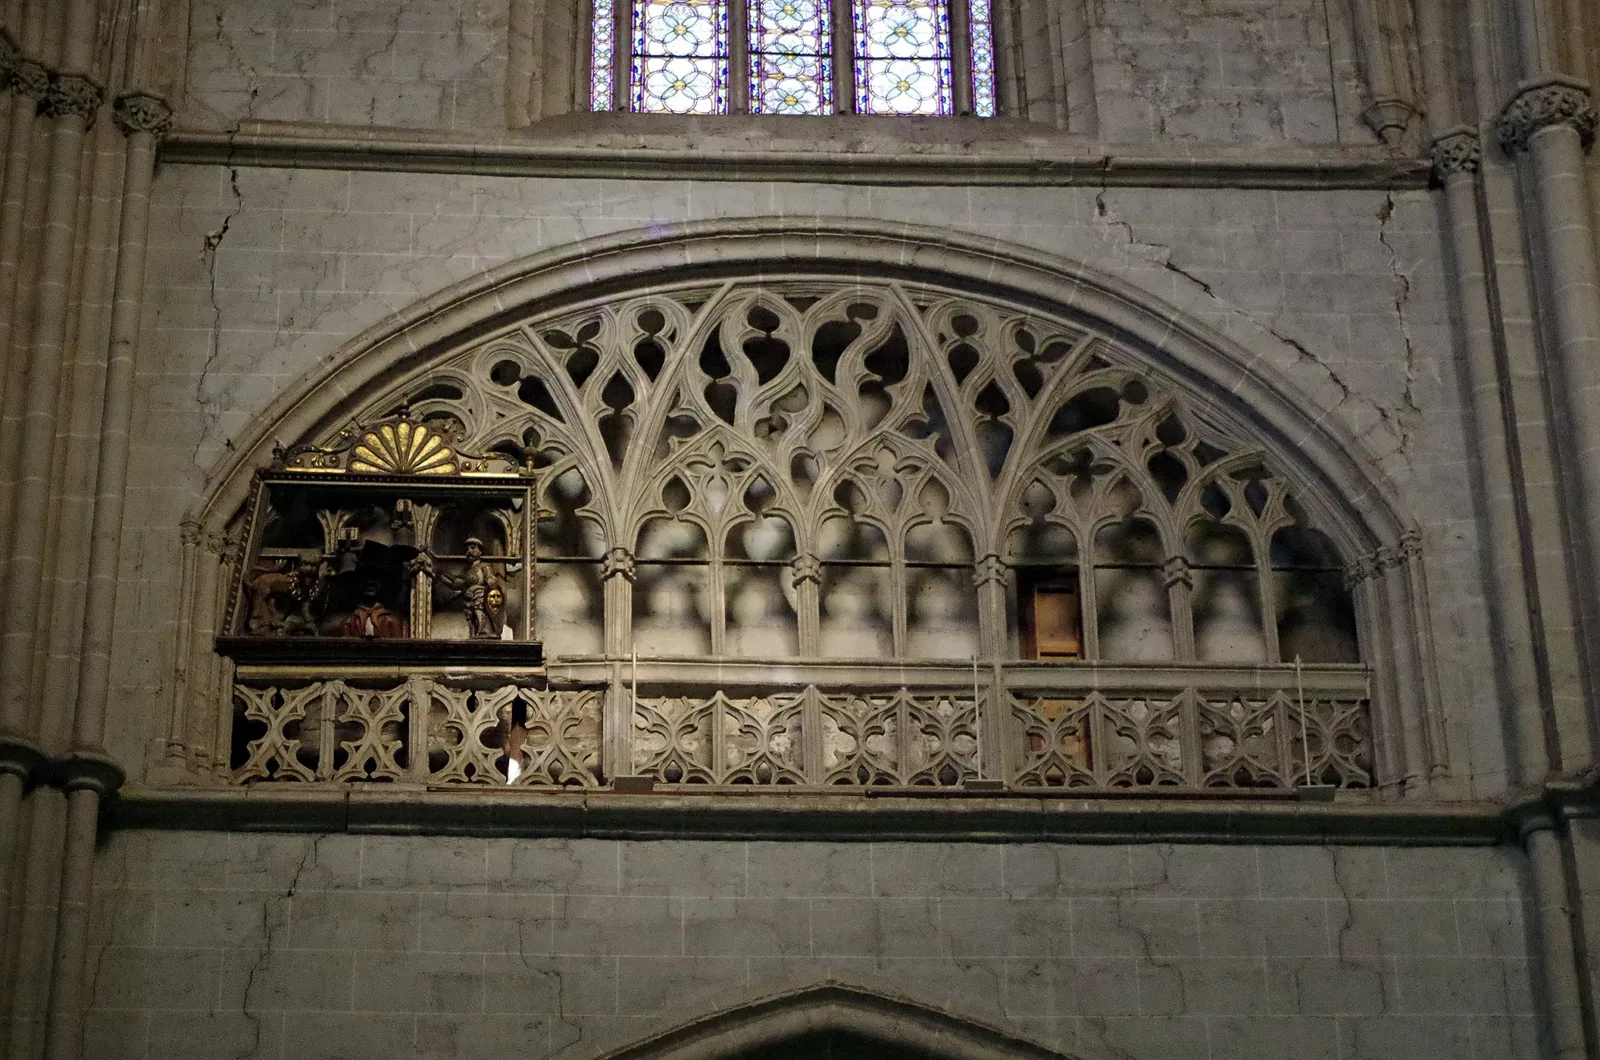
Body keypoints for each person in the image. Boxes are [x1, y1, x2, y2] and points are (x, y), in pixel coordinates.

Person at [437, 537, 505, 638]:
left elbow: (490, 578)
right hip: (468, 596)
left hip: (479, 595)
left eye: (473, 548)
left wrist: (489, 579)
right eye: (467, 549)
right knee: (470, 617)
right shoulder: (466, 571)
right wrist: (441, 576)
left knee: (479, 611)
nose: (469, 551)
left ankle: (482, 630)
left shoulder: (484, 566)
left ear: (480, 552)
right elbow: (458, 583)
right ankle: (473, 634)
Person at [339, 579, 404, 639]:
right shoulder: (349, 622)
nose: (369, 582)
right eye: (365, 578)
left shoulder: (390, 621)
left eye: (375, 579)